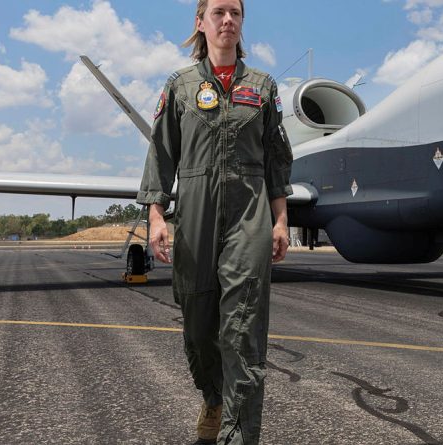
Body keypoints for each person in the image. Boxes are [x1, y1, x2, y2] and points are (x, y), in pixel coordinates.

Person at [136, 0, 293, 443]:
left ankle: (237, 434)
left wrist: (280, 221)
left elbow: (278, 161)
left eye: (236, 14)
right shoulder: (181, 86)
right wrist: (157, 216)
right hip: (195, 213)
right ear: (200, 23)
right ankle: (213, 398)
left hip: (249, 214)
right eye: (220, 12)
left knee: (242, 326)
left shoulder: (262, 87)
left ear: (242, 24)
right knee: (199, 321)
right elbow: (161, 153)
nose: (229, 20)